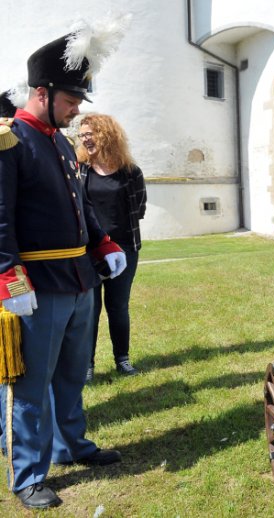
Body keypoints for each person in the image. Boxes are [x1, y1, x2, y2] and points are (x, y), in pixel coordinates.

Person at [0, 20, 128, 510]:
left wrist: (104, 245)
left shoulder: (56, 140)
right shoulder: (10, 140)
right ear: (41, 92)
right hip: (36, 283)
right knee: (30, 385)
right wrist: (9, 276)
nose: (77, 110)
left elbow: (80, 206)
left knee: (72, 374)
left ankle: (70, 445)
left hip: (78, 279)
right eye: (71, 100)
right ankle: (28, 474)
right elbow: (0, 216)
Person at [76, 114, 146, 381]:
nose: (85, 139)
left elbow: (138, 209)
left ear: (107, 134)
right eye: (82, 135)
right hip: (88, 251)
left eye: (90, 133)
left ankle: (123, 360)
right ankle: (87, 365)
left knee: (118, 306)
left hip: (124, 248)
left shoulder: (131, 172)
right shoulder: (79, 168)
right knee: (89, 309)